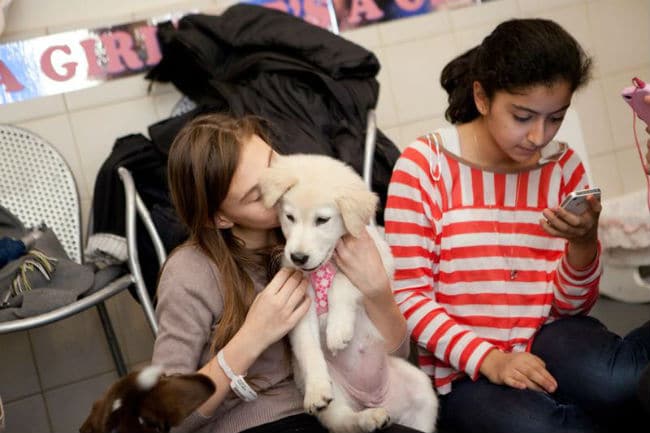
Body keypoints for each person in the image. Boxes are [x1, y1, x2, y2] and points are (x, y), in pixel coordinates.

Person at [384, 18, 650, 433]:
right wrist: (491, 359)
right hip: (465, 371)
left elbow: (572, 307)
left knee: (620, 381)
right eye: (523, 116)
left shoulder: (563, 167)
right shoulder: (424, 168)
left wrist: (583, 244)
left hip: (552, 336)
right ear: (482, 96)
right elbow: (410, 298)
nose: (538, 137)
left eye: (555, 118)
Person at [151, 113, 418, 433]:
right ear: (219, 218)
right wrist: (253, 337)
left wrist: (377, 292)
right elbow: (163, 420)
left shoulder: (322, 226)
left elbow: (396, 353)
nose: (283, 186)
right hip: (264, 423)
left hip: (350, 410)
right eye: (258, 194)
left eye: (275, 164)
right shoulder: (188, 273)